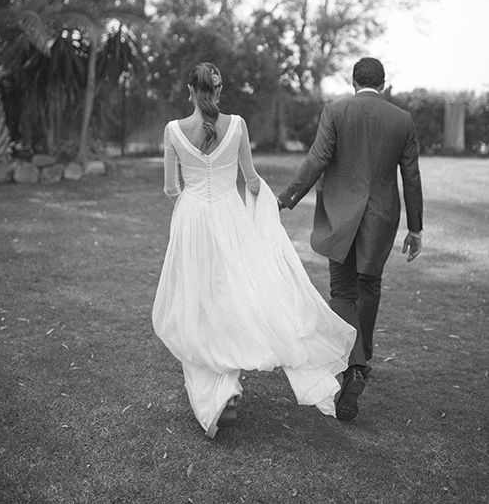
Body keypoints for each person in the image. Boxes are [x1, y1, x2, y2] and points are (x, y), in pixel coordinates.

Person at [152, 62, 356, 438]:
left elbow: (170, 189)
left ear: (189, 90)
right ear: (218, 90)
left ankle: (221, 392)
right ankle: (225, 387)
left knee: (198, 302)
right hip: (230, 216)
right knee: (233, 295)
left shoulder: (173, 131)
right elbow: (251, 181)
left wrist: (191, 206)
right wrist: (257, 219)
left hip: (192, 220)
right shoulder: (239, 125)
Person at [277, 57, 423, 422]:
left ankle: (353, 364)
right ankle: (362, 360)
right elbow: (412, 176)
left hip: (341, 214)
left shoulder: (336, 111)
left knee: (343, 290)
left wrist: (287, 197)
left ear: (353, 81)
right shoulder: (402, 119)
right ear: (383, 84)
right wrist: (415, 228)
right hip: (382, 216)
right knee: (369, 284)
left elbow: (318, 158)